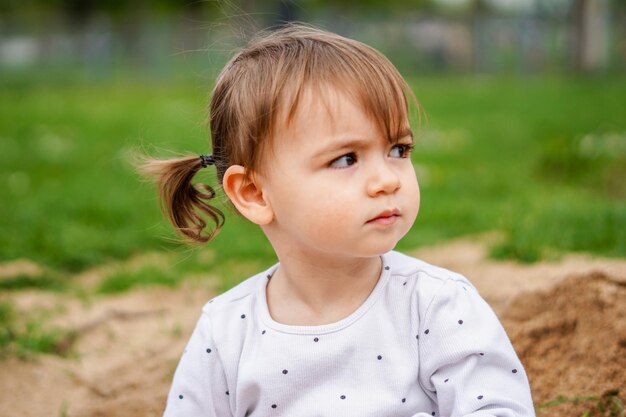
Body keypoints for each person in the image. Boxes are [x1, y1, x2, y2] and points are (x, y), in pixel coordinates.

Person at [143, 24, 535, 417]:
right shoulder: (226, 332)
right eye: (346, 159)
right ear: (254, 194)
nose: (386, 180)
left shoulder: (437, 304)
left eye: (398, 149)